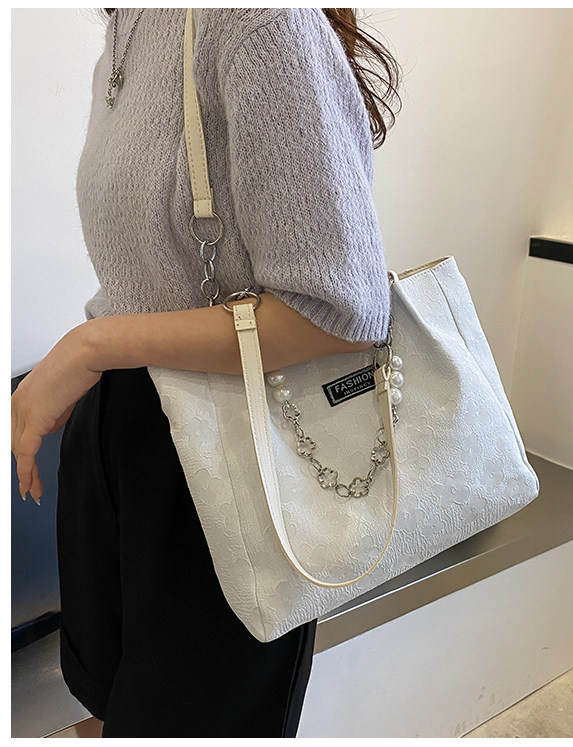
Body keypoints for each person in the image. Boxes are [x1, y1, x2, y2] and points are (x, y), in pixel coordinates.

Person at [11, 8, 401, 738]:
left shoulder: (259, 22)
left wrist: (89, 346)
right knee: (109, 705)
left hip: (231, 464)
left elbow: (337, 312)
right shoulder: (129, 24)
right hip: (120, 430)